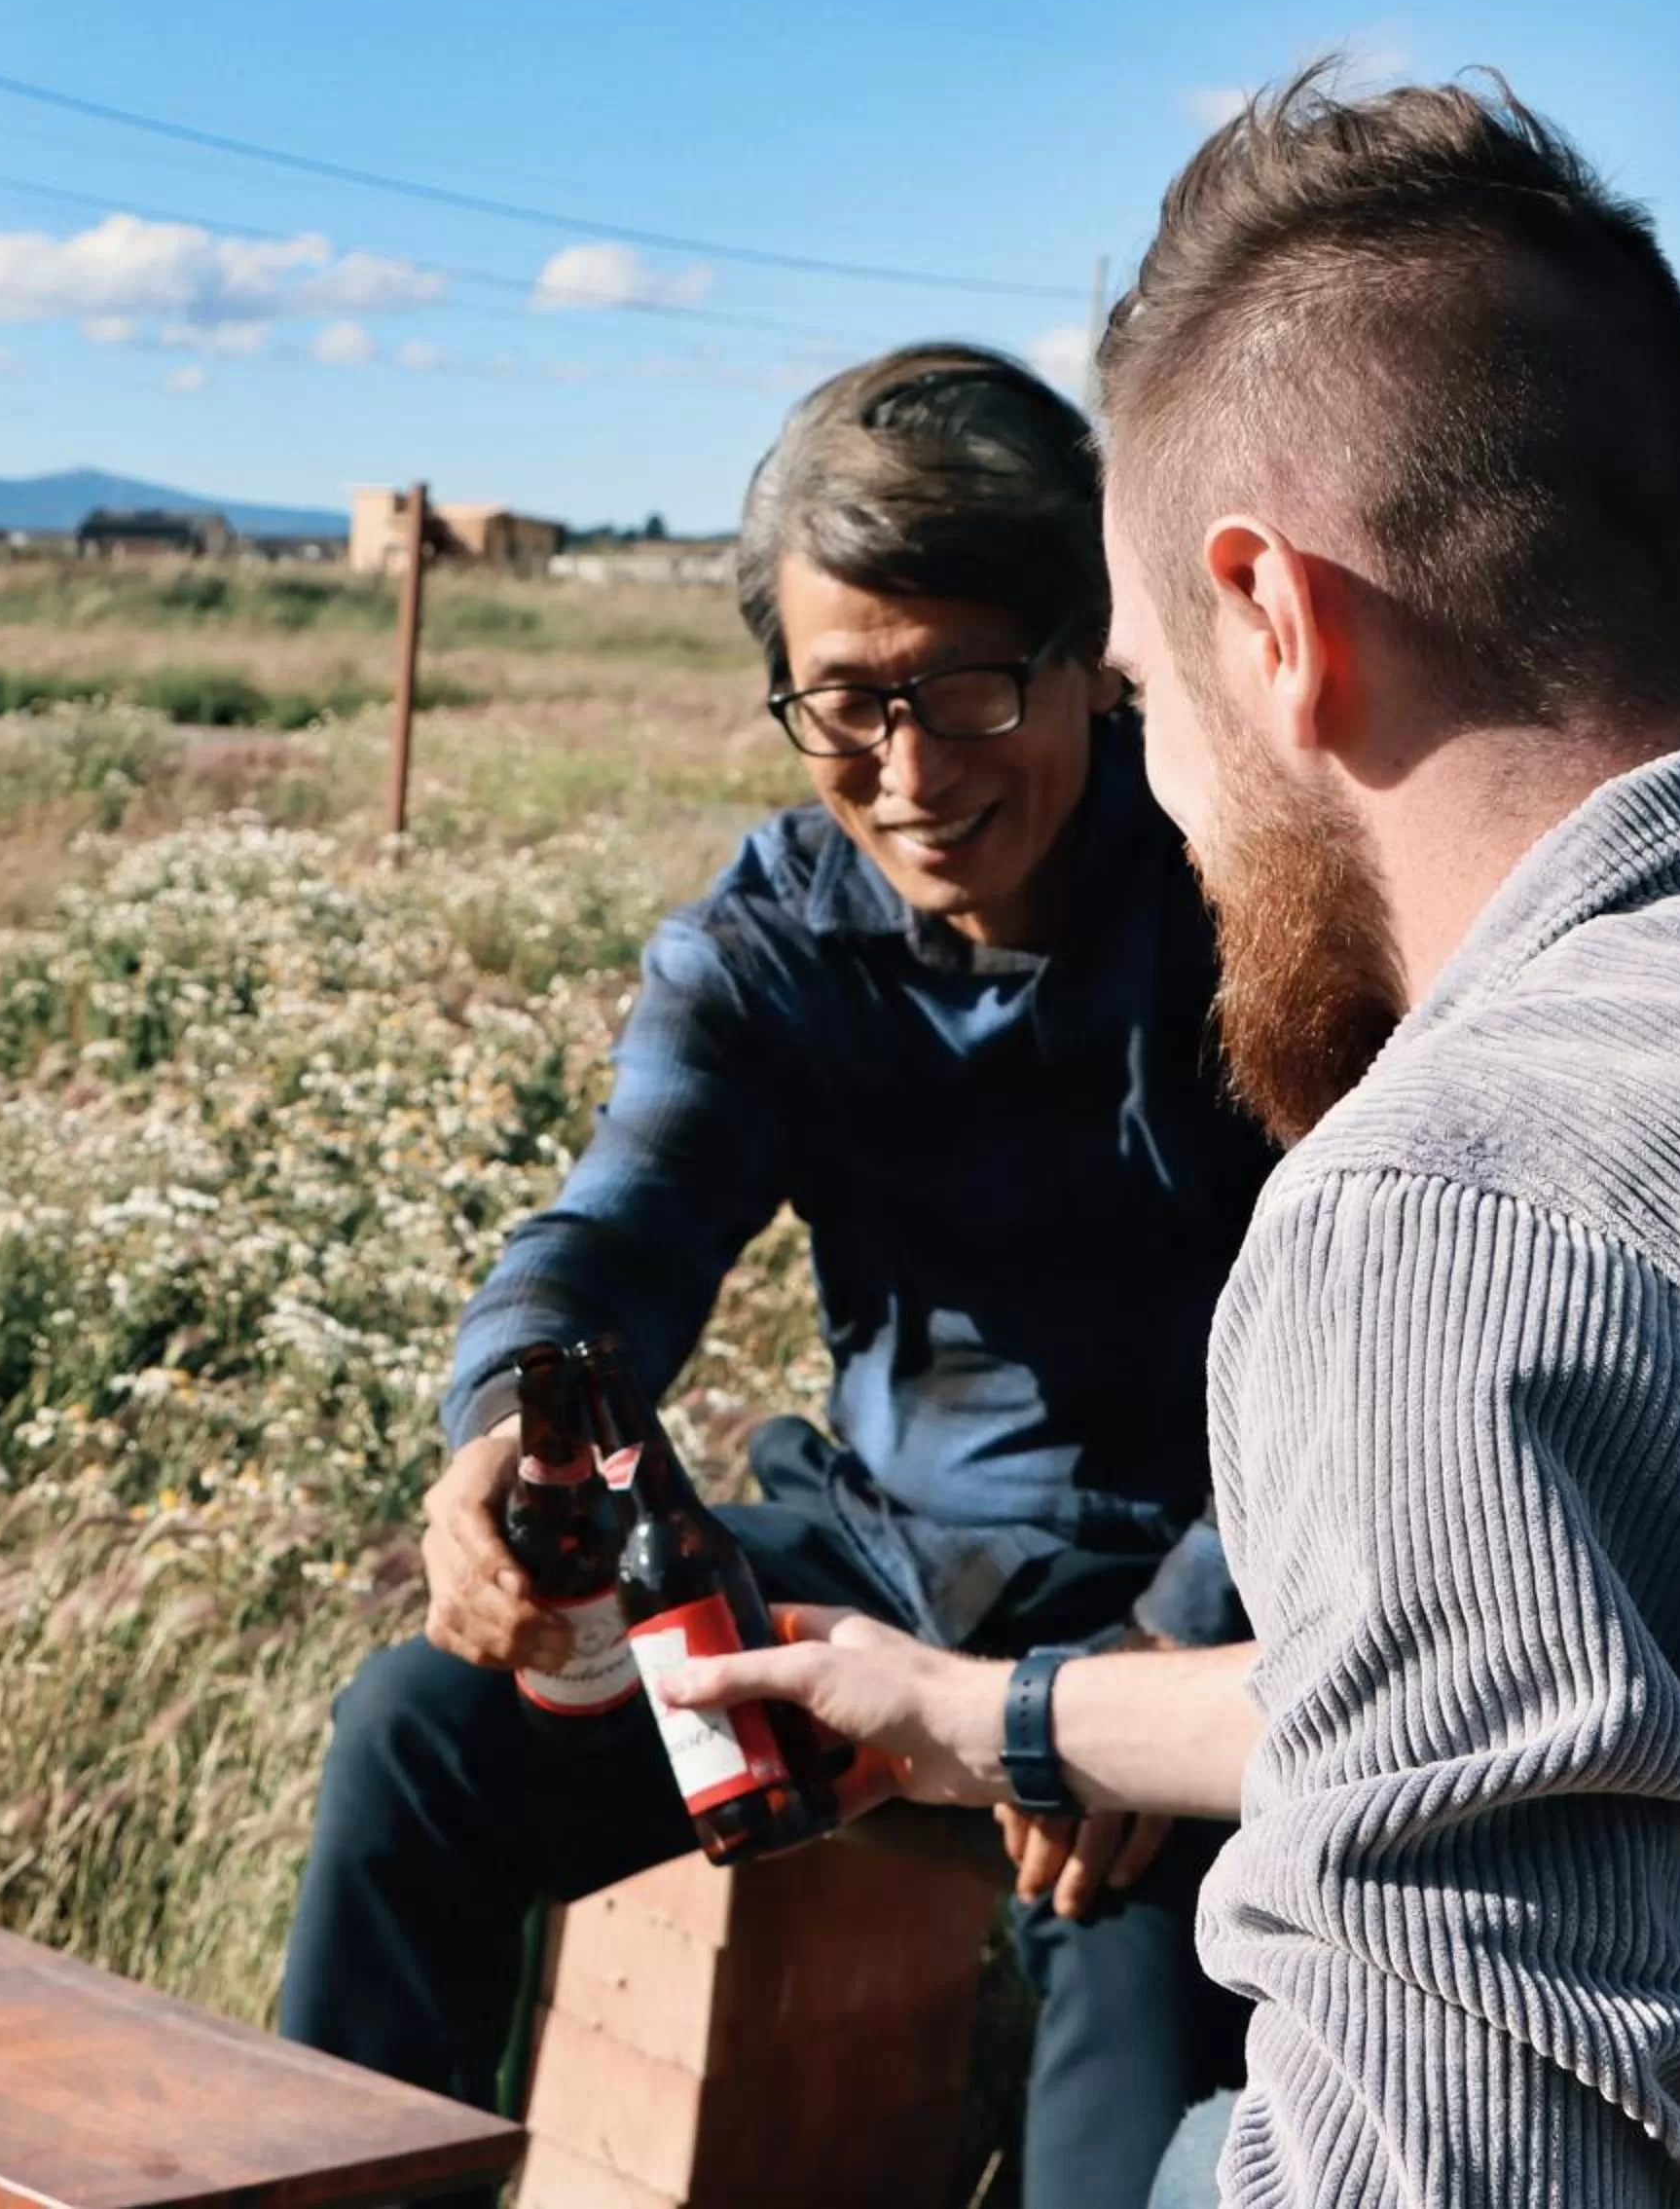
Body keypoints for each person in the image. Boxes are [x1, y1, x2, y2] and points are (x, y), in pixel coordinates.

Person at [661, 70, 1680, 2208]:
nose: (1166, 799)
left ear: (1271, 623)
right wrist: (994, 1717)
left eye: (1150, 699)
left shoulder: (1458, 1213)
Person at [279, 344, 1270, 2209]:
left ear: (1093, 652)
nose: (913, 773)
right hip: (874, 1566)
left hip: (1185, 1603)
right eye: (846, 705)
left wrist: (1173, 1650)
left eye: (966, 687)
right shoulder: (771, 942)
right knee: (422, 1733)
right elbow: (616, 1230)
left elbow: (1370, 1340)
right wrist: (509, 1423)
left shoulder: (1247, 904)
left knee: (1136, 2019)